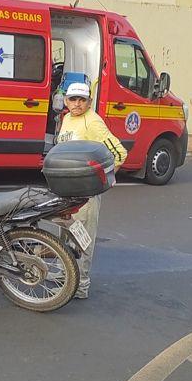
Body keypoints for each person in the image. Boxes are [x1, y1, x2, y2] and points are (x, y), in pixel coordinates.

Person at [56, 81, 127, 299]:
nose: (76, 104)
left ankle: (81, 285)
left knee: (82, 240)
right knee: (65, 237)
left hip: (85, 196)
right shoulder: (67, 118)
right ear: (66, 101)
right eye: (72, 99)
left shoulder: (93, 122)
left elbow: (120, 153)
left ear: (89, 101)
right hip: (67, 192)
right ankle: (64, 278)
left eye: (82, 100)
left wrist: (101, 183)